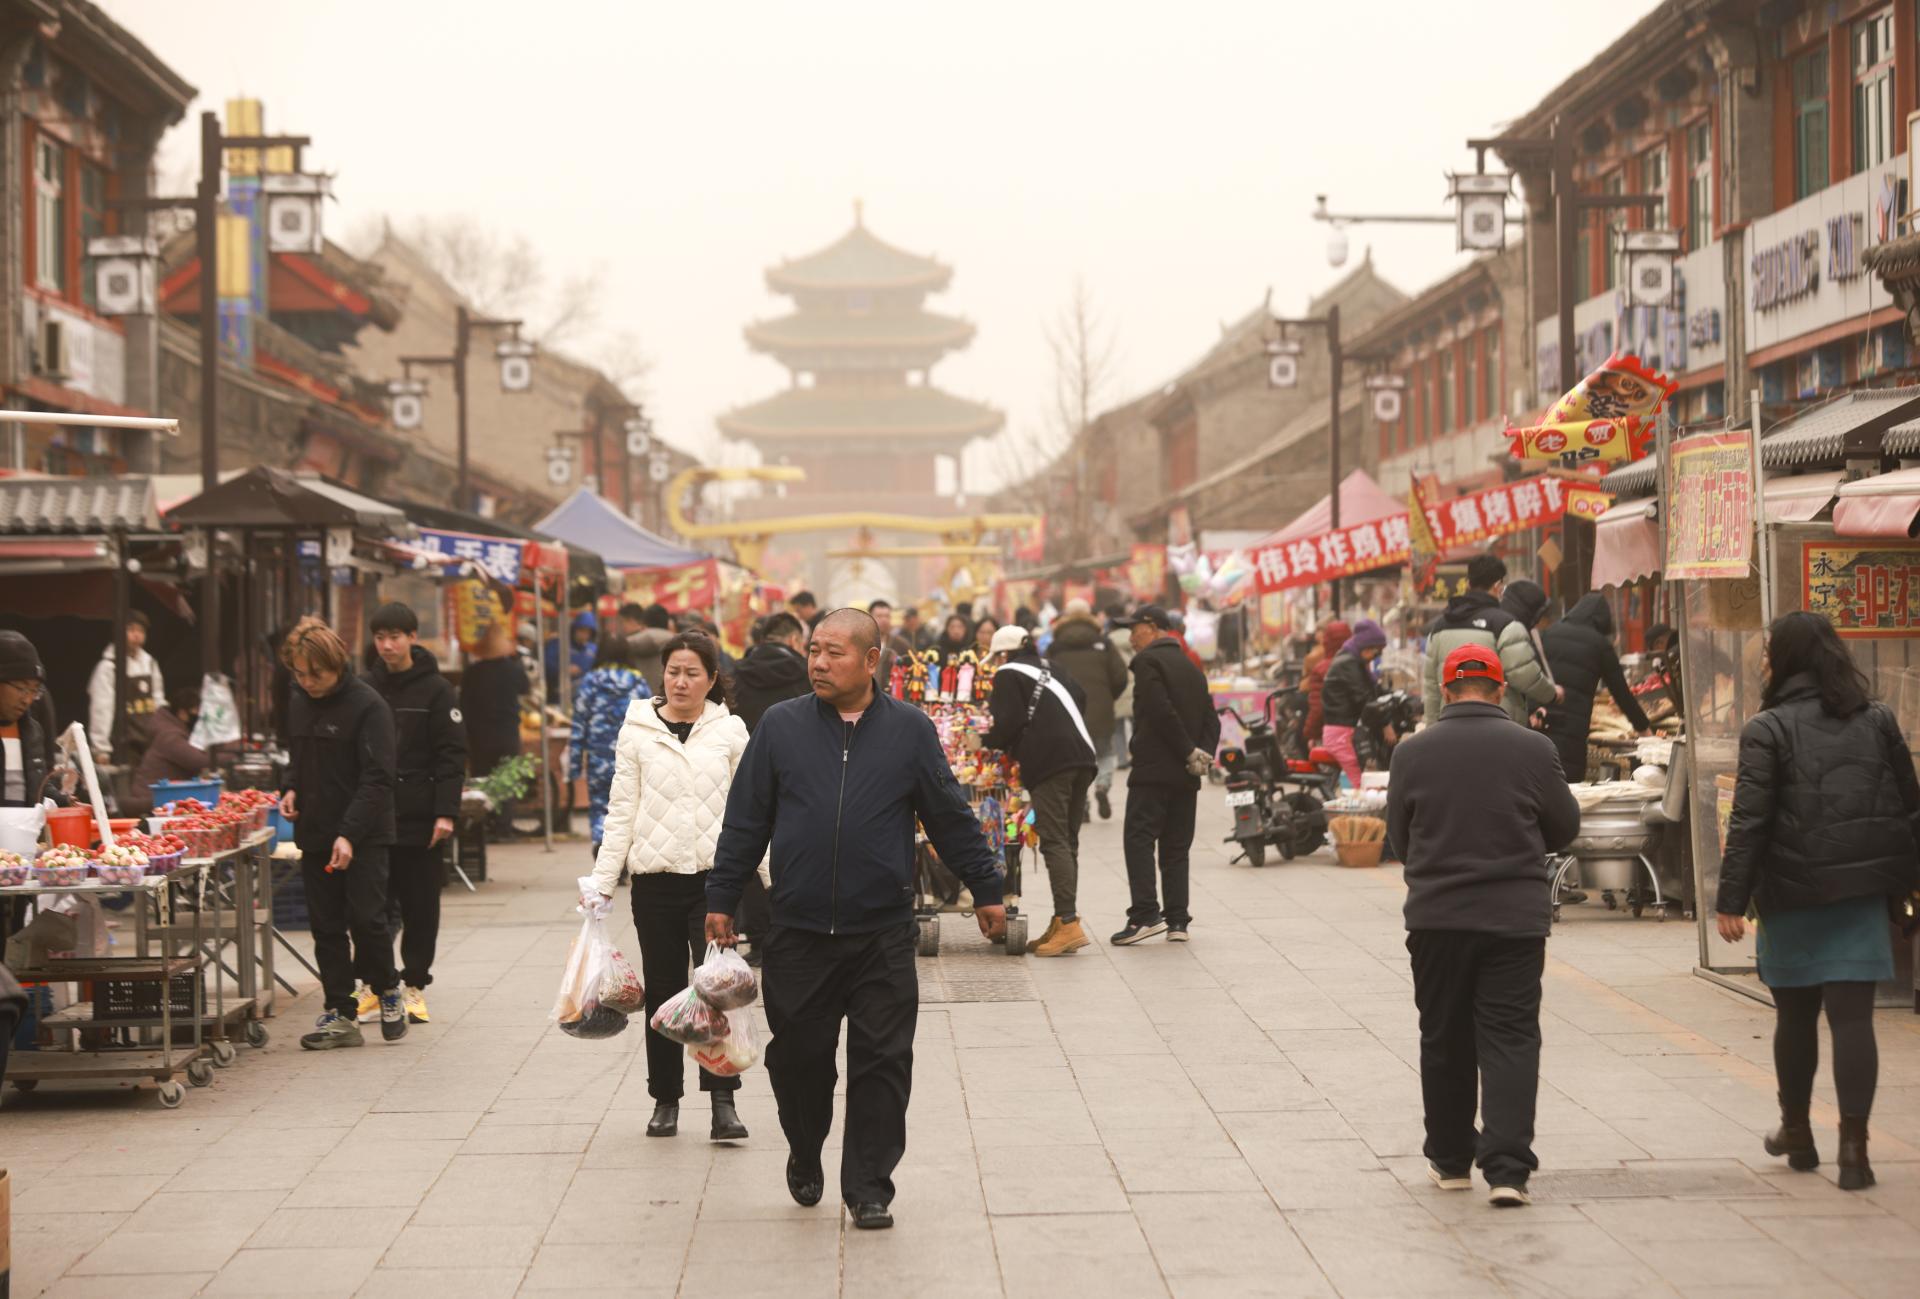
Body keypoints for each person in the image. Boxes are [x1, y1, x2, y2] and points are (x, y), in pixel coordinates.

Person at [704, 609, 1006, 1229]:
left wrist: (986, 887)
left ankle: (869, 1184)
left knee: (883, 1061)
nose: (818, 662)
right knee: (799, 1060)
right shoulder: (780, 727)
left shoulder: (910, 731)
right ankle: (806, 1146)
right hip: (798, 930)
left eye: (834, 652)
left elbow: (948, 815)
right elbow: (746, 818)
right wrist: (722, 896)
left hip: (883, 932)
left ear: (872, 661)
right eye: (814, 650)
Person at [1714, 612, 1920, 1193]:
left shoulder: (1767, 727)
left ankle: (1797, 1131)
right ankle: (1854, 1150)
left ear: (1791, 659)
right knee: (1855, 1021)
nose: (1763, 662)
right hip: (1858, 896)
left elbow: (1749, 820)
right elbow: (1911, 807)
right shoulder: (1877, 718)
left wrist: (1732, 899)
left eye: (1770, 652)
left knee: (1795, 1017)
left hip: (1791, 894)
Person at [1387, 645, 1580, 1207]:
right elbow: (1564, 826)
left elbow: (1400, 841)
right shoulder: (1534, 747)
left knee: (1444, 1035)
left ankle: (1449, 1161)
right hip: (1514, 921)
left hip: (1437, 919)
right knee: (1512, 1038)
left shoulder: (1411, 753)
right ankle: (1508, 1171)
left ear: (1445, 691)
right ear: (1500, 691)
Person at [593, 632, 752, 1142]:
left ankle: (723, 1100)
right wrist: (602, 881)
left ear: (711, 680)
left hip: (715, 883)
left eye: (692, 673)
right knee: (663, 990)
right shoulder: (637, 730)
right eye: (673, 671)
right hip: (655, 881)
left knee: (715, 989)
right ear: (662, 675)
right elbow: (622, 809)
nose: (681, 682)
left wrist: (772, 874)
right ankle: (665, 1099)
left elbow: (752, 811)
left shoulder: (730, 732)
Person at [280, 620, 405, 1050]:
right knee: (326, 925)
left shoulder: (368, 707)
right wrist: (290, 787)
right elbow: (296, 757)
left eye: (316, 674)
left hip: (365, 833)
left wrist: (350, 834)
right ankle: (341, 1013)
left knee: (367, 919)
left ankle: (388, 988)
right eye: (300, 673)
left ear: (337, 666)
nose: (308, 682)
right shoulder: (298, 700)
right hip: (315, 830)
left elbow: (378, 778)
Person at [366, 603, 466, 1027]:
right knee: (370, 908)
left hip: (421, 816)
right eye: (380, 637)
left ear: (412, 637)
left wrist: (445, 811)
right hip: (374, 816)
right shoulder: (365, 687)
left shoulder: (438, 690)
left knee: (421, 906)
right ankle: (374, 984)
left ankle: (414, 985)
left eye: (395, 636)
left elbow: (452, 754)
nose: (387, 646)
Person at [980, 624, 1097, 957]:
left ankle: (1070, 923)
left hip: (1050, 761)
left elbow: (1007, 723)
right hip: (1082, 756)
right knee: (1068, 839)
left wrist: (986, 741)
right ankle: (1063, 919)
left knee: (1054, 838)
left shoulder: (1007, 673)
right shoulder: (1052, 668)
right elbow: (1082, 699)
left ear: (1004, 653)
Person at [1112, 605, 1220, 945]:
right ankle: (1177, 921)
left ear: (1154, 627)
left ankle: (1145, 915)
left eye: (1135, 629)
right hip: (1185, 773)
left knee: (1139, 838)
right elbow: (1211, 719)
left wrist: (1188, 750)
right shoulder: (1189, 664)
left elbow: (1160, 711)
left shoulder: (1148, 662)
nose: (1130, 637)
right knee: (1176, 846)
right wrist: (1200, 754)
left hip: (1154, 769)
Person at [727, 611, 811, 958]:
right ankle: (791, 926)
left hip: (744, 769)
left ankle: (759, 935)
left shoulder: (736, 675)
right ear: (794, 640)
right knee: (793, 847)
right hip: (797, 772)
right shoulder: (806, 675)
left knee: (750, 845)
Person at [1541, 594, 1652, 781]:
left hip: (1540, 724)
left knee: (1539, 784)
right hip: (1572, 730)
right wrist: (1644, 730)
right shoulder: (1599, 644)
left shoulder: (1548, 633)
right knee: (1568, 788)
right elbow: (1622, 694)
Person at [1421, 554, 1540, 726]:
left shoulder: (1440, 626)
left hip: (1450, 726)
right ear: (1498, 586)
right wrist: (1552, 694)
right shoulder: (1506, 624)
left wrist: (1432, 728)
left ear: (1468, 584)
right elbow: (1526, 677)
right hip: (1501, 727)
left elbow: (1431, 688)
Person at [1045, 598, 1129, 820]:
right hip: (1100, 710)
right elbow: (1121, 676)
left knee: (1075, 760)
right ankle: (1102, 786)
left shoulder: (1055, 647)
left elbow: (1046, 678)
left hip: (1067, 713)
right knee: (1104, 754)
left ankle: (1082, 804)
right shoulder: (1103, 643)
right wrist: (1108, 697)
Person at [570, 635, 651, 857]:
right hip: (631, 757)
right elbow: (650, 721)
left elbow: (579, 723)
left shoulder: (590, 681)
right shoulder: (638, 682)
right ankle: (624, 851)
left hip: (598, 757)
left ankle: (601, 840)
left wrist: (575, 765)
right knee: (629, 806)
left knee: (599, 805)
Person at [86, 609, 165, 769]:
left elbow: (158, 702)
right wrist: (101, 748)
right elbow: (101, 709)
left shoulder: (150, 664)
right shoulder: (108, 667)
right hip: (122, 746)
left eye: (141, 631)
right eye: (131, 629)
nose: (136, 635)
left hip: (149, 743)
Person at [1319, 619, 1386, 788]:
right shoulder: (1348, 664)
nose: (1376, 657)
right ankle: (1363, 814)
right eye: (1376, 652)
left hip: (1344, 729)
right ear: (1366, 647)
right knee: (1361, 783)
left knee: (1363, 778)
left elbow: (1372, 693)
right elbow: (1364, 697)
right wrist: (1385, 724)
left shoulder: (1352, 660)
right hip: (1340, 734)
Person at [0, 632, 63, 809]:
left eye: (34, 690)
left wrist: (63, 800)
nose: (27, 699)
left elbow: (38, 787)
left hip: (23, 833)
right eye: (21, 688)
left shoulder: (32, 732)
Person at [460, 622, 529, 781]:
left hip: (479, 739)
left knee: (483, 787)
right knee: (507, 785)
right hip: (507, 736)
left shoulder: (472, 672)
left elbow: (463, 705)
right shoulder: (514, 670)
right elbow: (525, 689)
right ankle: (506, 807)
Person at [129, 687, 207, 816]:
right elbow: (196, 761)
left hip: (163, 794)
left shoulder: (172, 729)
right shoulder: (169, 735)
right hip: (151, 798)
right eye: (196, 712)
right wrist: (229, 756)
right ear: (182, 713)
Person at [1498, 579, 1559, 726]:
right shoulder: (1512, 629)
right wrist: (1552, 694)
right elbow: (1523, 675)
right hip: (1505, 719)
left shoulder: (1500, 623)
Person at [1301, 619, 1352, 745]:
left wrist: (1310, 734)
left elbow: (1318, 709)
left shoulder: (1322, 668)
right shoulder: (1357, 665)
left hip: (1330, 735)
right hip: (1355, 735)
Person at [622, 602, 675, 694]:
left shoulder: (625, 644)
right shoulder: (680, 644)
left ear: (644, 623)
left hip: (640, 700)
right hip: (667, 699)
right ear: (667, 623)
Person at [868, 599, 899, 692]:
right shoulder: (860, 643)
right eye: (879, 616)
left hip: (891, 699)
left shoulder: (900, 645)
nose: (884, 620)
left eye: (887, 616)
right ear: (870, 617)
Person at [567, 611, 598, 684]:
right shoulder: (563, 646)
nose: (584, 635)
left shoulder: (594, 649)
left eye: (588, 632)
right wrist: (563, 669)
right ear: (574, 630)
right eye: (581, 630)